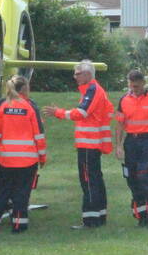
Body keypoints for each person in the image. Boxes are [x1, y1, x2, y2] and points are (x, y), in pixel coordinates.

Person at [43, 60, 113, 229]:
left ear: (88, 74)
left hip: (89, 144)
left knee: (89, 180)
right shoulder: (94, 89)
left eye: (78, 73)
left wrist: (58, 112)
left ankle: (90, 220)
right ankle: (99, 216)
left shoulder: (93, 89)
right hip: (92, 143)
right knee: (95, 179)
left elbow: (81, 113)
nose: (74, 77)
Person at [0, 75, 46, 233]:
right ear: (24, 89)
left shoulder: (3, 106)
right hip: (27, 160)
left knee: (4, 192)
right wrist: (42, 157)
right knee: (22, 193)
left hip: (6, 159)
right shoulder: (30, 107)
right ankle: (18, 225)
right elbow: (39, 136)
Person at [114, 69, 148, 229]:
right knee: (132, 178)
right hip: (131, 142)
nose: (134, 90)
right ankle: (141, 216)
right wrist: (118, 146)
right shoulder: (124, 100)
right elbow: (119, 124)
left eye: (137, 87)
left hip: (147, 142)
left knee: (144, 175)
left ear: (144, 84)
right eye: (132, 87)